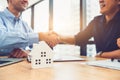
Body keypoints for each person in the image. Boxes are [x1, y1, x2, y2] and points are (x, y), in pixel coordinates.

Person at [54, 0, 120, 59]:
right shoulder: (96, 21)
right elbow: (79, 39)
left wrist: (101, 55)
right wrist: (59, 37)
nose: (100, 1)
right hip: (101, 66)